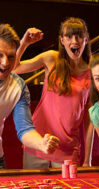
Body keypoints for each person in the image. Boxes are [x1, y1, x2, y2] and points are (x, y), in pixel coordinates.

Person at [14, 17, 93, 169]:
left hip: (68, 149)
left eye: (79, 36)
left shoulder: (91, 72)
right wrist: (24, 43)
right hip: (38, 141)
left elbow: (90, 121)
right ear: (62, 40)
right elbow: (15, 67)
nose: (74, 41)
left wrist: (87, 160)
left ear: (86, 39)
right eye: (69, 36)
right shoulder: (51, 58)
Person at [0, 23, 59, 169]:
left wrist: (41, 144)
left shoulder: (19, 87)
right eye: (0, 55)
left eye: (11, 56)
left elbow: (25, 129)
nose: (5, 63)